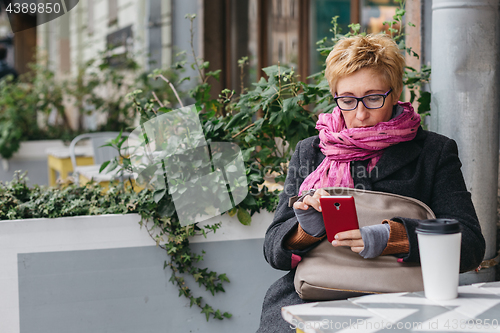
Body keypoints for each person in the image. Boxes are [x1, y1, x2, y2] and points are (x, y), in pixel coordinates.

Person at [256, 34, 485, 332]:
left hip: (405, 299)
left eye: (373, 98)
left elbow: (470, 244)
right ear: (335, 95)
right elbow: (273, 249)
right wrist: (306, 231)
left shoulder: (432, 151)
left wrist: (394, 237)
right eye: (348, 100)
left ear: (395, 92)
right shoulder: (310, 151)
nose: (361, 114)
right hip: (313, 297)